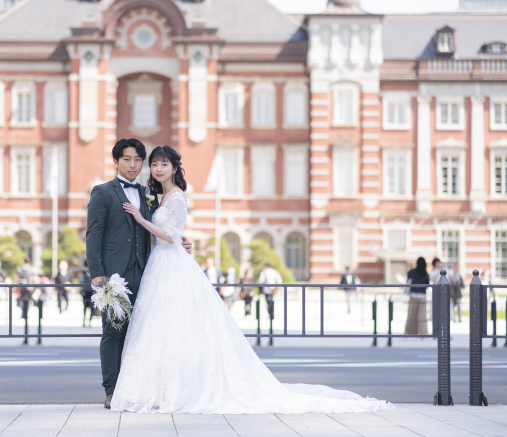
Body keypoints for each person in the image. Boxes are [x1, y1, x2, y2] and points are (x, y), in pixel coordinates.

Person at [110, 145, 390, 414]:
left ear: (174, 168)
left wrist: (140, 219)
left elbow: (170, 235)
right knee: (163, 329)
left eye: (164, 164)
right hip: (162, 264)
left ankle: (177, 390)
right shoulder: (161, 197)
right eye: (155, 164)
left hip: (171, 264)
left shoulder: (178, 196)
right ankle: (164, 389)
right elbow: (172, 233)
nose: (158, 168)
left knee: (176, 326)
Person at [85, 139, 193, 410]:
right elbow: (93, 235)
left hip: (145, 274)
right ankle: (111, 391)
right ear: (116, 161)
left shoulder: (149, 196)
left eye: (137, 160)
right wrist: (98, 275)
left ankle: (131, 389)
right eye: (127, 159)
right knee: (113, 332)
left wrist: (181, 240)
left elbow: (162, 226)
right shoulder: (103, 192)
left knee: (139, 334)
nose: (132, 164)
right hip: (114, 276)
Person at [404, 257, 430, 335]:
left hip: (413, 295)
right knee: (422, 316)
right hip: (422, 296)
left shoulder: (411, 272)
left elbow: (408, 282)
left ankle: (409, 332)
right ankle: (422, 333)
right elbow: (427, 285)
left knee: (411, 315)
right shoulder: (425, 273)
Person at [16, 257, 38, 325]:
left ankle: (23, 313)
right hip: (30, 287)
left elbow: (16, 277)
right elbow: (35, 278)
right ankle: (25, 313)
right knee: (28, 301)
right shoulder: (31, 268)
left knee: (22, 299)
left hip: (22, 286)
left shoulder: (20, 268)